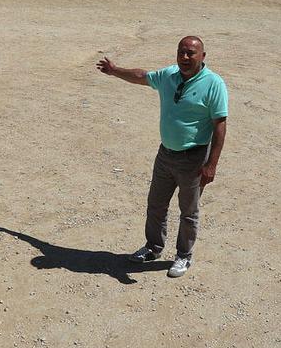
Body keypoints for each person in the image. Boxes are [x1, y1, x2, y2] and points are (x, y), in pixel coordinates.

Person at [96, 36, 228, 277]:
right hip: (165, 154)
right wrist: (115, 71)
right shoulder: (169, 75)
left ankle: (183, 256)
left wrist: (212, 164)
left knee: (189, 211)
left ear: (203, 56)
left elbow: (220, 124)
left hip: (194, 158)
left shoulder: (214, 84)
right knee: (156, 204)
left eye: (191, 53)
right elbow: (141, 76)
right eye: (181, 52)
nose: (185, 58)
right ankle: (153, 247)